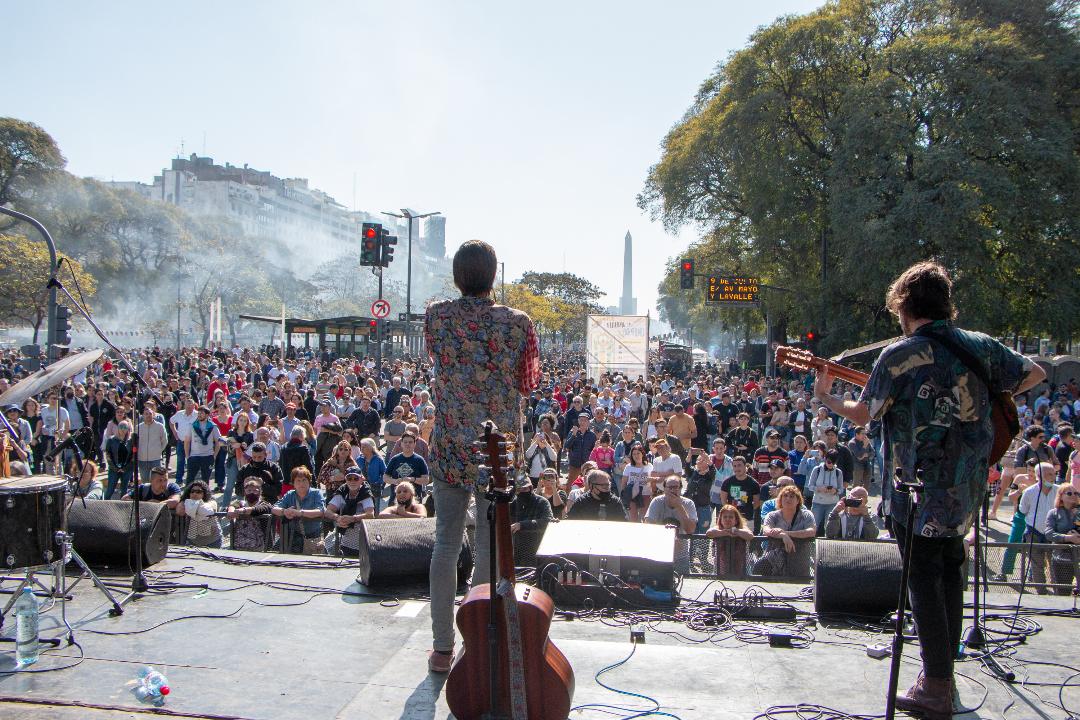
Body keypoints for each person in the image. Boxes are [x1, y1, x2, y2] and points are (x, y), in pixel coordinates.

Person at [815, 260, 1044, 716]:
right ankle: (944, 672)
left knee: (922, 580)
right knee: (949, 574)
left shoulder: (898, 356)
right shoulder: (980, 346)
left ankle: (935, 684)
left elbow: (864, 415)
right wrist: (981, 406)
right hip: (967, 487)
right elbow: (1033, 372)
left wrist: (825, 397)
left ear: (903, 306)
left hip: (914, 489)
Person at [424, 240, 541, 673]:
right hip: (497, 449)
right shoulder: (518, 323)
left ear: (457, 276)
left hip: (451, 443)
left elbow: (439, 358)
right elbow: (528, 381)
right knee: (490, 545)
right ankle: (479, 639)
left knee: (445, 543)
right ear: (493, 276)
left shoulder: (436, 316)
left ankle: (440, 647)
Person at [1018, 462, 1058, 593]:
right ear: (1039, 476)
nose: (1053, 477)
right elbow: (1023, 510)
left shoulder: (1059, 491)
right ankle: (1041, 593)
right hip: (1033, 532)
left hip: (1054, 533)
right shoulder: (1029, 492)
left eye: (1054, 473)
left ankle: (1059, 592)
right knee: (1036, 565)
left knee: (1055, 564)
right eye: (1049, 474)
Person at [759, 485, 816, 576]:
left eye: (792, 496)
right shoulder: (772, 515)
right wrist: (783, 536)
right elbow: (766, 530)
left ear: (798, 500)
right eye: (785, 496)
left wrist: (786, 533)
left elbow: (811, 531)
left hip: (799, 560)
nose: (788, 499)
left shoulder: (806, 515)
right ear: (780, 499)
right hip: (774, 561)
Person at [272, 467, 326, 554]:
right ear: (293, 483)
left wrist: (300, 513)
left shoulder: (317, 493)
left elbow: (321, 511)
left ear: (309, 481)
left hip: (313, 538)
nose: (301, 483)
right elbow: (274, 508)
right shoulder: (290, 494)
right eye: (298, 480)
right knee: (273, 554)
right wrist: (284, 511)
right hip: (293, 538)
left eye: (304, 480)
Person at [324, 466, 375, 556]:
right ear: (345, 479)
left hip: (362, 538)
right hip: (343, 537)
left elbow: (370, 515)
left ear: (361, 479)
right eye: (349, 478)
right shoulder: (342, 491)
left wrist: (352, 518)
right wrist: (338, 518)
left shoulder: (366, 493)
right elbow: (328, 511)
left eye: (356, 478)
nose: (352, 481)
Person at [1044, 484, 1080, 594]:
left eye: (1076, 493)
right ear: (1061, 496)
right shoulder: (1054, 513)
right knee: (1062, 591)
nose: (1073, 495)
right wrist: (1067, 537)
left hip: (1078, 556)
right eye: (1069, 493)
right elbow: (1049, 533)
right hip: (1061, 557)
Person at [706, 503, 754, 577]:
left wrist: (735, 531)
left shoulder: (742, 528)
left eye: (731, 517)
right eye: (725, 517)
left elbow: (750, 535)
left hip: (742, 567)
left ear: (736, 520)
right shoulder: (718, 528)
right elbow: (709, 533)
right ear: (721, 519)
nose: (727, 519)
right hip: (721, 567)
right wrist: (724, 532)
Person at [227, 478, 274, 551]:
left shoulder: (265, 504)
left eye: (255, 490)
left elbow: (260, 509)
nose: (252, 492)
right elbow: (233, 505)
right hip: (240, 545)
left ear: (260, 492)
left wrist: (245, 510)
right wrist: (231, 510)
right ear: (245, 492)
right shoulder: (241, 503)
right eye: (249, 490)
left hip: (261, 547)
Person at [806, 449, 845, 535]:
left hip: (832, 503)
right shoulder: (817, 470)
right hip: (817, 502)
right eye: (829, 462)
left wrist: (835, 491)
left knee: (830, 527)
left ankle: (829, 545)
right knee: (813, 525)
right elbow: (810, 486)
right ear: (825, 459)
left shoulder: (838, 472)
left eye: (833, 463)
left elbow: (841, 489)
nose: (831, 464)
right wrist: (819, 489)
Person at [175, 479, 222, 548]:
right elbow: (179, 511)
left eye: (198, 492)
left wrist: (190, 505)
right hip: (192, 541)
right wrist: (183, 501)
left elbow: (205, 510)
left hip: (213, 541)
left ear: (204, 493)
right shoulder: (185, 502)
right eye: (192, 491)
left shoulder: (212, 502)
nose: (194, 494)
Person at [385, 432, 430, 497]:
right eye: (405, 442)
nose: (407, 444)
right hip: (396, 499)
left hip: (414, 499)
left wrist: (412, 479)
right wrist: (395, 481)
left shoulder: (420, 460)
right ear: (401, 444)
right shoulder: (395, 459)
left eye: (410, 442)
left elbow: (426, 480)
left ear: (414, 444)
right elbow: (385, 477)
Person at [185, 406, 220, 488]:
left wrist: (214, 455)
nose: (199, 415)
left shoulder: (212, 426)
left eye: (202, 413)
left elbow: (218, 441)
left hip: (207, 456)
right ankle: (186, 497)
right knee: (190, 479)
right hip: (194, 456)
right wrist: (187, 456)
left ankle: (205, 498)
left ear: (207, 415)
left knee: (205, 480)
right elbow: (187, 441)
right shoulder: (193, 425)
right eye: (199, 413)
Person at [720, 456, 759, 525]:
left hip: (747, 519)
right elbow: (723, 501)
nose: (737, 468)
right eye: (734, 466)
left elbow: (756, 503)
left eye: (739, 465)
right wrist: (731, 513)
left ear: (745, 466)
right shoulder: (727, 482)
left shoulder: (754, 483)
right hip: (731, 520)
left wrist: (748, 510)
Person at [684, 451, 715, 534]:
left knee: (703, 533)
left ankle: (702, 548)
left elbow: (712, 469)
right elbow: (687, 466)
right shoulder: (693, 473)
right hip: (691, 507)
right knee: (691, 532)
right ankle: (691, 547)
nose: (700, 462)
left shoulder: (709, 475)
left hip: (703, 508)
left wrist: (707, 459)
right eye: (698, 460)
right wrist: (689, 455)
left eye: (703, 460)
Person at [104, 420, 135, 499]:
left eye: (125, 427)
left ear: (128, 429)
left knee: (124, 490)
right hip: (114, 469)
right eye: (121, 427)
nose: (123, 429)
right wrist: (116, 468)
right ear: (118, 428)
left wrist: (125, 468)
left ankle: (122, 507)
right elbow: (108, 455)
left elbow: (133, 456)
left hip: (127, 469)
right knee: (110, 489)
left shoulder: (131, 441)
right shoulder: (111, 440)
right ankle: (104, 504)